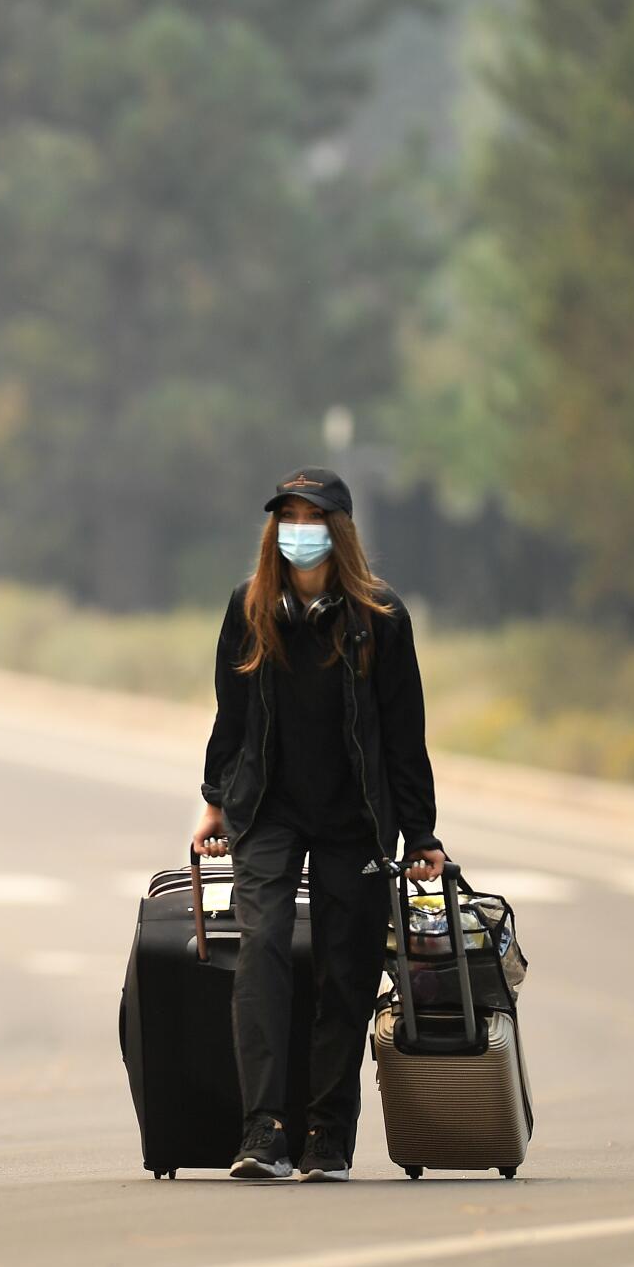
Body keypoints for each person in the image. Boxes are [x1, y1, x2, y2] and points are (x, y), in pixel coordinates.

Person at [190, 466, 445, 1183]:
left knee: (349, 966)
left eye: (314, 516)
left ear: (341, 531)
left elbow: (405, 733)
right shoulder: (250, 606)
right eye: (289, 516)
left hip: (355, 818)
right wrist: (214, 799)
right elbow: (231, 715)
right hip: (267, 808)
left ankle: (327, 1134)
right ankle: (263, 1131)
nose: (300, 529)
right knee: (264, 947)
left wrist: (420, 833)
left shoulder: (380, 618)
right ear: (276, 529)